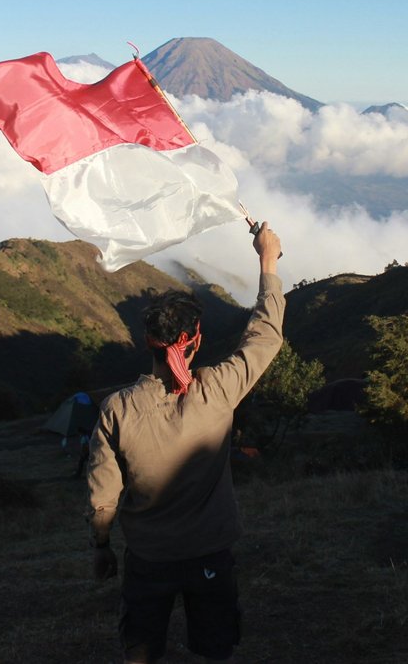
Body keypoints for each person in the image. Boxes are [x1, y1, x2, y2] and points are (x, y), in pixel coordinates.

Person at [85, 222, 285, 664]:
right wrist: (267, 258)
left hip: (147, 557)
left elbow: (104, 493)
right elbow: (265, 335)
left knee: (141, 646)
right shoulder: (219, 390)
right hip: (210, 553)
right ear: (195, 340)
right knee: (215, 648)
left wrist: (102, 548)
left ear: (147, 344)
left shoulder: (117, 409)